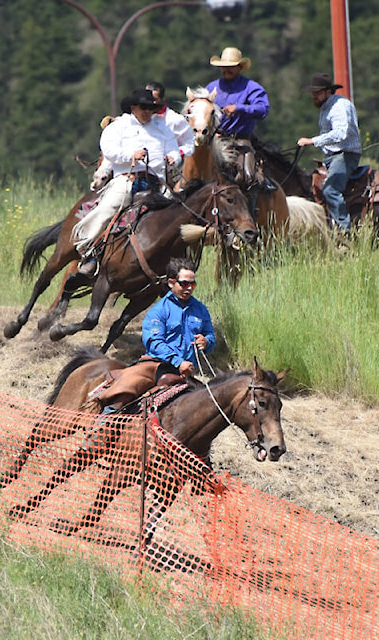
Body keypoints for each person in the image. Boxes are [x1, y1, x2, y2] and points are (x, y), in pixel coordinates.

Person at [73, 88, 181, 276]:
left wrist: (173, 158)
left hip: (157, 182)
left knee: (178, 213)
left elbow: (173, 148)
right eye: (143, 107)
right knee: (108, 209)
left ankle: (177, 259)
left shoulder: (162, 128)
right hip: (127, 179)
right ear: (133, 107)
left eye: (150, 107)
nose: (148, 111)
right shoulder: (118, 126)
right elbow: (109, 150)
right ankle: (89, 251)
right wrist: (131, 155)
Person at [96, 257, 216, 414]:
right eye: (184, 283)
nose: (189, 288)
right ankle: (102, 426)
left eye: (192, 284)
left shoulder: (201, 309)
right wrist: (178, 361)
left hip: (185, 372)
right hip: (155, 367)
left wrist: (206, 342)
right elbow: (154, 342)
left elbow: (210, 335)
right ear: (172, 283)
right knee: (122, 395)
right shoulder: (159, 310)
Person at [297, 73, 362, 237]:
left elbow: (341, 133)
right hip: (333, 156)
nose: (314, 96)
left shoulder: (340, 106)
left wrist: (312, 141)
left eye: (317, 93)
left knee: (331, 190)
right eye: (313, 93)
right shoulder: (326, 107)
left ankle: (344, 231)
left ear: (328, 91)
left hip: (345, 154)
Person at [205, 47, 269, 187]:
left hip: (240, 141)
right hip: (215, 140)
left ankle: (252, 208)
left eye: (231, 67)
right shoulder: (211, 87)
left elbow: (262, 109)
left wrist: (239, 108)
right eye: (224, 67)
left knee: (248, 176)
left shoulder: (252, 87)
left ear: (240, 67)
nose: (226, 70)